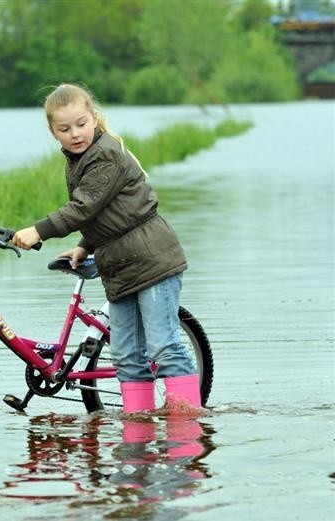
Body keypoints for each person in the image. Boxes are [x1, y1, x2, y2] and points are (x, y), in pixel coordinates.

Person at [12, 83, 203, 415]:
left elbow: (83, 208)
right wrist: (85, 247)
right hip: (119, 265)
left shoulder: (105, 153)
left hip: (152, 259)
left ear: (95, 117)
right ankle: (138, 427)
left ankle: (186, 429)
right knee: (126, 354)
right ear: (52, 131)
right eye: (65, 128)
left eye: (81, 123)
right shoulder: (77, 158)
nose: (75, 133)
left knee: (163, 346)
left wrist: (38, 230)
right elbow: (105, 211)